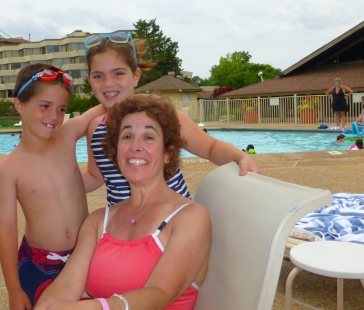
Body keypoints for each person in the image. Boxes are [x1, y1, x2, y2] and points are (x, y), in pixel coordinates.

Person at [0, 96, 211, 310]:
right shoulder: (98, 221)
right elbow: (66, 285)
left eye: (149, 138)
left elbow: (158, 296)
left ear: (168, 152)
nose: (135, 147)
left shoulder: (190, 218)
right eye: (126, 137)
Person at [81, 34, 259, 206]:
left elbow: (211, 148)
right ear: (89, 81)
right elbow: (95, 176)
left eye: (118, 73)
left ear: (136, 76)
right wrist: (55, 186)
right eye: (98, 76)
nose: (108, 83)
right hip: (124, 227)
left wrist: (240, 156)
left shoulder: (163, 117)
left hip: (172, 221)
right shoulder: (95, 129)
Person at [0, 64, 106, 310]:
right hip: (39, 263)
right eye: (44, 106)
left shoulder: (66, 136)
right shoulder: (9, 169)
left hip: (84, 254)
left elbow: (102, 107)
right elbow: (6, 231)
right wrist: (13, 290)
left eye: (61, 109)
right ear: (20, 105)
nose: (54, 116)